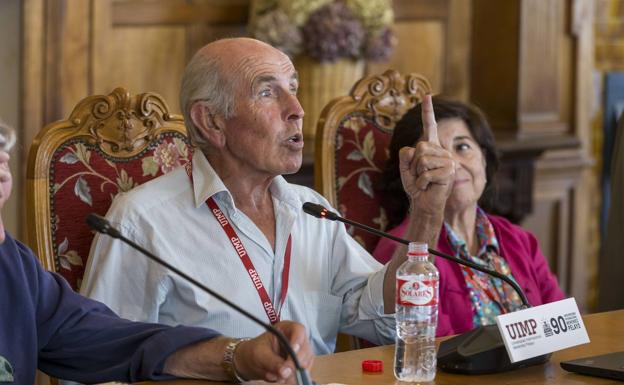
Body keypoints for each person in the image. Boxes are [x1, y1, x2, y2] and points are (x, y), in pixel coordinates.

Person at [80, 37, 457, 354]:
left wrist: (425, 215)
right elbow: (98, 362)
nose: (297, 110)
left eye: (293, 89)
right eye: (266, 92)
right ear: (210, 121)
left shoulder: (313, 212)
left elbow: (385, 321)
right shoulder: (142, 221)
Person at [0, 132, 313, 384]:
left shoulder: (12, 265)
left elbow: (111, 341)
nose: (3, 166)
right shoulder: (141, 216)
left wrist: (237, 356)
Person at [373, 97, 566, 336]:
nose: (451, 164)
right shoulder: (402, 250)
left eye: (462, 147)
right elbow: (419, 344)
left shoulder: (520, 240)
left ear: (484, 158)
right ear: (408, 175)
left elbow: (563, 325)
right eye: (435, 156)